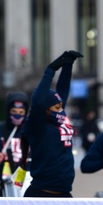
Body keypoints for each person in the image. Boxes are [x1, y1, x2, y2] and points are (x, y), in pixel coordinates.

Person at [22, 50, 82, 197]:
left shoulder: (58, 120)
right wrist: (50, 70)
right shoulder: (38, 125)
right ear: (45, 109)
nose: (61, 110)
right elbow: (38, 101)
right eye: (56, 107)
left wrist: (67, 66)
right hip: (42, 193)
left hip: (64, 192)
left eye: (61, 106)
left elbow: (63, 90)